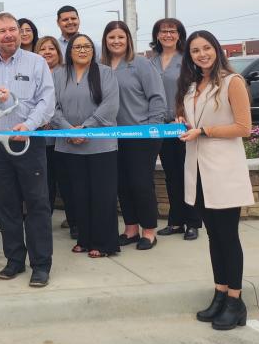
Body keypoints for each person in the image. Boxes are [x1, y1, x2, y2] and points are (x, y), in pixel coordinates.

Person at [0, 13, 55, 287]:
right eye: (2, 31)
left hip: (29, 142)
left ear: (19, 33)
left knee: (38, 204)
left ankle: (41, 265)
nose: (9, 34)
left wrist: (28, 125)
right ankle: (14, 260)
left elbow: (47, 101)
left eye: (13, 29)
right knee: (5, 205)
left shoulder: (37, 62)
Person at [176, 30, 253, 331]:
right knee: (213, 236)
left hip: (223, 170)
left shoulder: (232, 82)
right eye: (195, 51)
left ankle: (236, 300)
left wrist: (204, 131)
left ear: (217, 50)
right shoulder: (192, 85)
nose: (201, 54)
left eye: (206, 48)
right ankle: (220, 293)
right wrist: (182, 123)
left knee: (228, 236)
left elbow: (244, 127)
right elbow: (191, 121)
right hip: (198, 170)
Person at [52, 34, 120, 259]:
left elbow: (110, 105)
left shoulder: (106, 73)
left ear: (94, 50)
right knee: (77, 195)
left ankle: (103, 243)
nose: (83, 50)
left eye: (87, 46)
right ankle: (84, 238)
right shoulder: (59, 75)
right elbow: (53, 107)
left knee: (102, 194)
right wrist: (68, 129)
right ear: (69, 50)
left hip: (101, 145)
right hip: (69, 145)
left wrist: (86, 128)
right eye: (78, 46)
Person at [103, 21, 166, 251]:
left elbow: (157, 97)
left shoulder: (140, 64)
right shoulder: (101, 66)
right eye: (112, 37)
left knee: (140, 184)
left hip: (141, 135)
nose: (116, 41)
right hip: (111, 136)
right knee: (122, 184)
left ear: (128, 39)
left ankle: (149, 231)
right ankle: (130, 228)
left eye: (120, 37)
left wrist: (152, 129)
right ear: (105, 41)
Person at [150, 18, 200, 240]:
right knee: (171, 175)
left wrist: (184, 115)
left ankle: (193, 222)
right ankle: (176, 220)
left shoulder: (188, 61)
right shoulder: (151, 61)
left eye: (172, 31)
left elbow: (194, 91)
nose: (168, 35)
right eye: (163, 31)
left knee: (187, 174)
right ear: (157, 35)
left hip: (182, 125)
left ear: (180, 34)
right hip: (160, 127)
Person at [36, 36, 74, 235]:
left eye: (52, 48)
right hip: (42, 138)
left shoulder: (66, 72)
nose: (47, 52)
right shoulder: (35, 72)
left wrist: (58, 121)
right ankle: (44, 221)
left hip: (63, 136)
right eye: (43, 49)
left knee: (67, 181)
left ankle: (73, 219)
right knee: (45, 182)